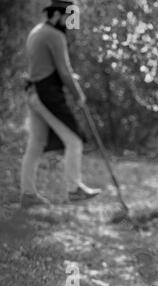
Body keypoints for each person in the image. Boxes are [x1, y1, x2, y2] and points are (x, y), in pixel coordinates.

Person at [20, 0, 101, 209]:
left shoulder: (36, 31)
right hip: (47, 95)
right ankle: (74, 190)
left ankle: (28, 194)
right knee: (74, 140)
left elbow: (46, 67)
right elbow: (64, 71)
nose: (68, 22)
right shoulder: (55, 36)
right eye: (67, 17)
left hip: (33, 92)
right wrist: (78, 94)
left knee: (36, 145)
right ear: (56, 15)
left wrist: (64, 78)